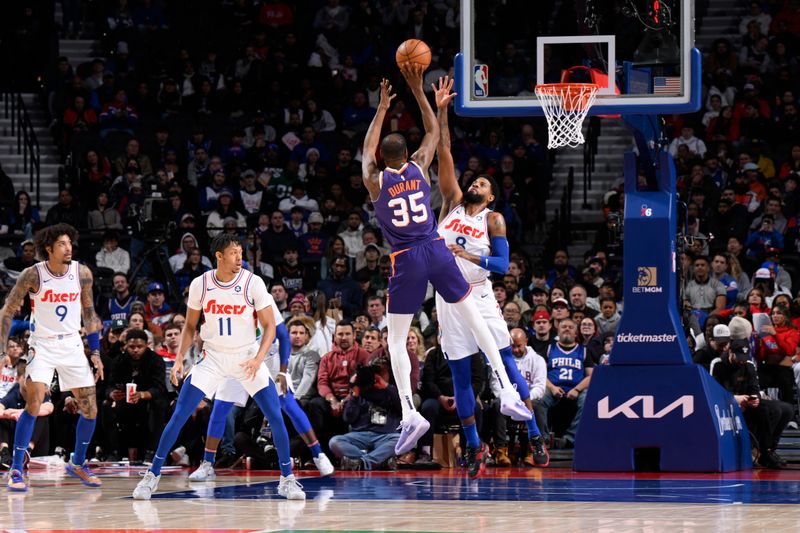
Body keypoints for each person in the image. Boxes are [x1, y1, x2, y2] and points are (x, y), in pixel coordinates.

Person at [361, 69, 529, 463]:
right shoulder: (420, 166)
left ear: (384, 159)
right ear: (408, 155)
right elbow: (434, 132)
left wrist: (382, 108)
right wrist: (420, 91)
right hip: (436, 249)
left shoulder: (374, 180)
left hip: (405, 258)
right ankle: (506, 389)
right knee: (474, 319)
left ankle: (408, 412)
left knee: (396, 340)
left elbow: (367, 152)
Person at [132, 234, 305, 500]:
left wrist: (259, 359)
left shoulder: (253, 282)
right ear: (219, 256)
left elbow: (270, 326)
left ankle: (287, 478)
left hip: (247, 356)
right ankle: (151, 476)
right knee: (179, 414)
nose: (240, 258)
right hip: (212, 357)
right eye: (234, 253)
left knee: (275, 415)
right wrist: (179, 358)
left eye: (241, 253)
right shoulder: (201, 284)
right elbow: (189, 326)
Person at [431, 76, 543, 475]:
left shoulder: (494, 220)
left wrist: (466, 254)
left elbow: (502, 266)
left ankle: (533, 434)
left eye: (482, 182)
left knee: (505, 365)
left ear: (492, 195)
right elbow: (443, 151)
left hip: (479, 294)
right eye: (474, 180)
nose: (474, 182)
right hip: (448, 301)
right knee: (462, 377)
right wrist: (442, 111)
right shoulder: (452, 205)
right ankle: (474, 446)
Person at [0, 224, 105, 491]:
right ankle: (15, 468)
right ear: (49, 248)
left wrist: (95, 351)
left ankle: (78, 463)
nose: (68, 248)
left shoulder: (81, 273)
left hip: (71, 344)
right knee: (33, 404)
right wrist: (3, 351)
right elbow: (7, 311)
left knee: (90, 409)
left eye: (70, 243)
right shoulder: (32, 274)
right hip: (42, 346)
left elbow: (90, 314)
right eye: (62, 243)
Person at [185, 299, 333, 482]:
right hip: (239, 360)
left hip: (269, 359)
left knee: (288, 404)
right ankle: (207, 464)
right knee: (220, 407)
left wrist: (282, 371)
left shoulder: (263, 299)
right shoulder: (224, 300)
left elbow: (283, 337)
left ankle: (318, 454)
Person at [710, 339, 793, 468]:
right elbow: (715, 392)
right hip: (729, 404)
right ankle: (764, 451)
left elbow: (754, 387)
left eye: (744, 357)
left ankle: (770, 450)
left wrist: (756, 398)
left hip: (747, 402)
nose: (742, 361)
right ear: (730, 351)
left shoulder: (748, 365)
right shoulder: (718, 364)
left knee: (787, 409)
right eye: (739, 357)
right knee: (769, 410)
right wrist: (736, 398)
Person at [539, 319, 594, 449]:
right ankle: (544, 439)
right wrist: (552, 388)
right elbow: (540, 374)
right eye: (564, 326)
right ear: (558, 330)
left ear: (576, 333)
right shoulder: (549, 349)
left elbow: (591, 376)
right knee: (538, 400)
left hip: (576, 390)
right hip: (553, 389)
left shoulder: (584, 350)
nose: (567, 329)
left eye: (571, 327)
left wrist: (577, 389)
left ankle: (569, 439)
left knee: (588, 399)